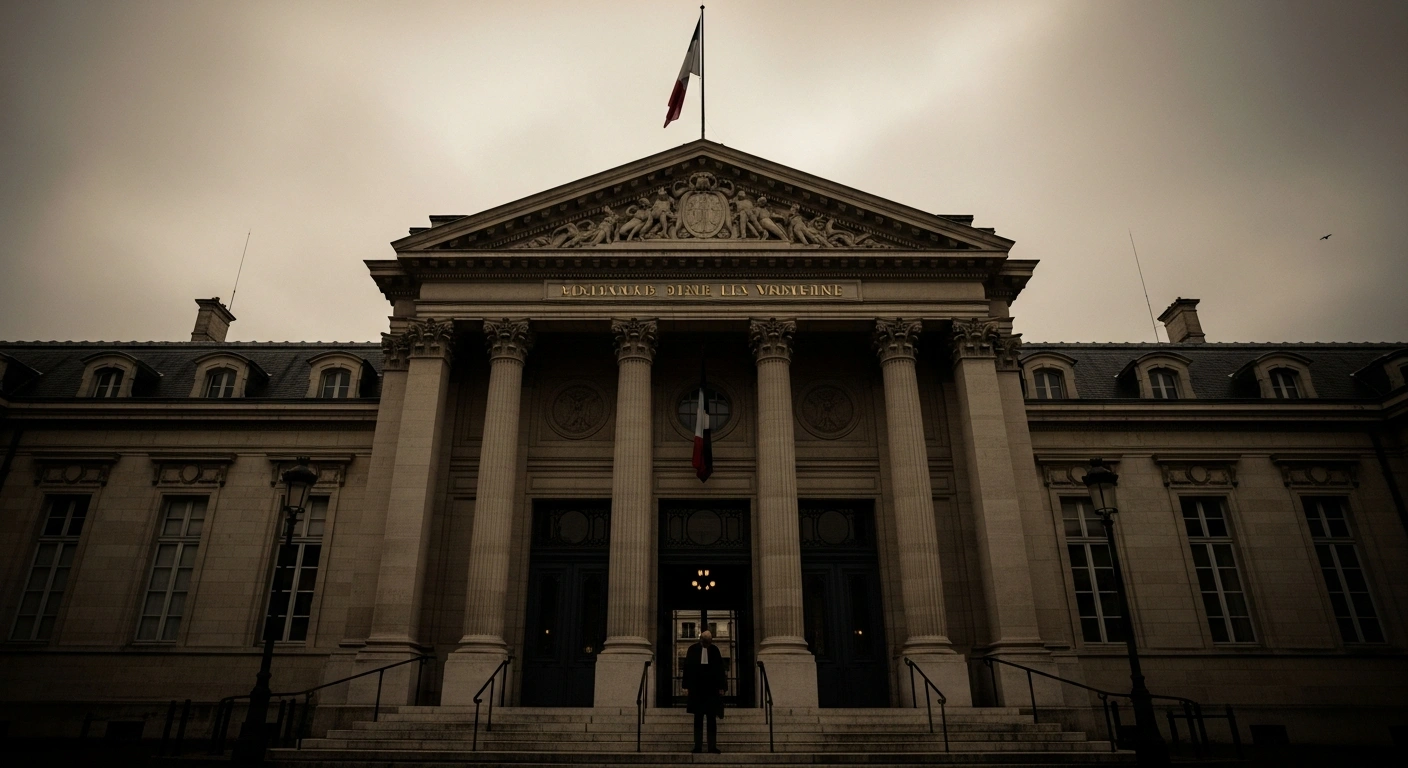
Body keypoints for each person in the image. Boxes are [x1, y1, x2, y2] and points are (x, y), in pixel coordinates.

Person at [682, 629, 726, 753]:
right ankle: (698, 746)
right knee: (698, 719)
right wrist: (686, 686)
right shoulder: (692, 650)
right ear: (701, 640)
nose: (707, 645)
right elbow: (687, 668)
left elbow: (720, 669)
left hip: (711, 690)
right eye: (706, 642)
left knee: (712, 719)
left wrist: (722, 687)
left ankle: (712, 746)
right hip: (697, 689)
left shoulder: (715, 650)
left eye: (709, 642)